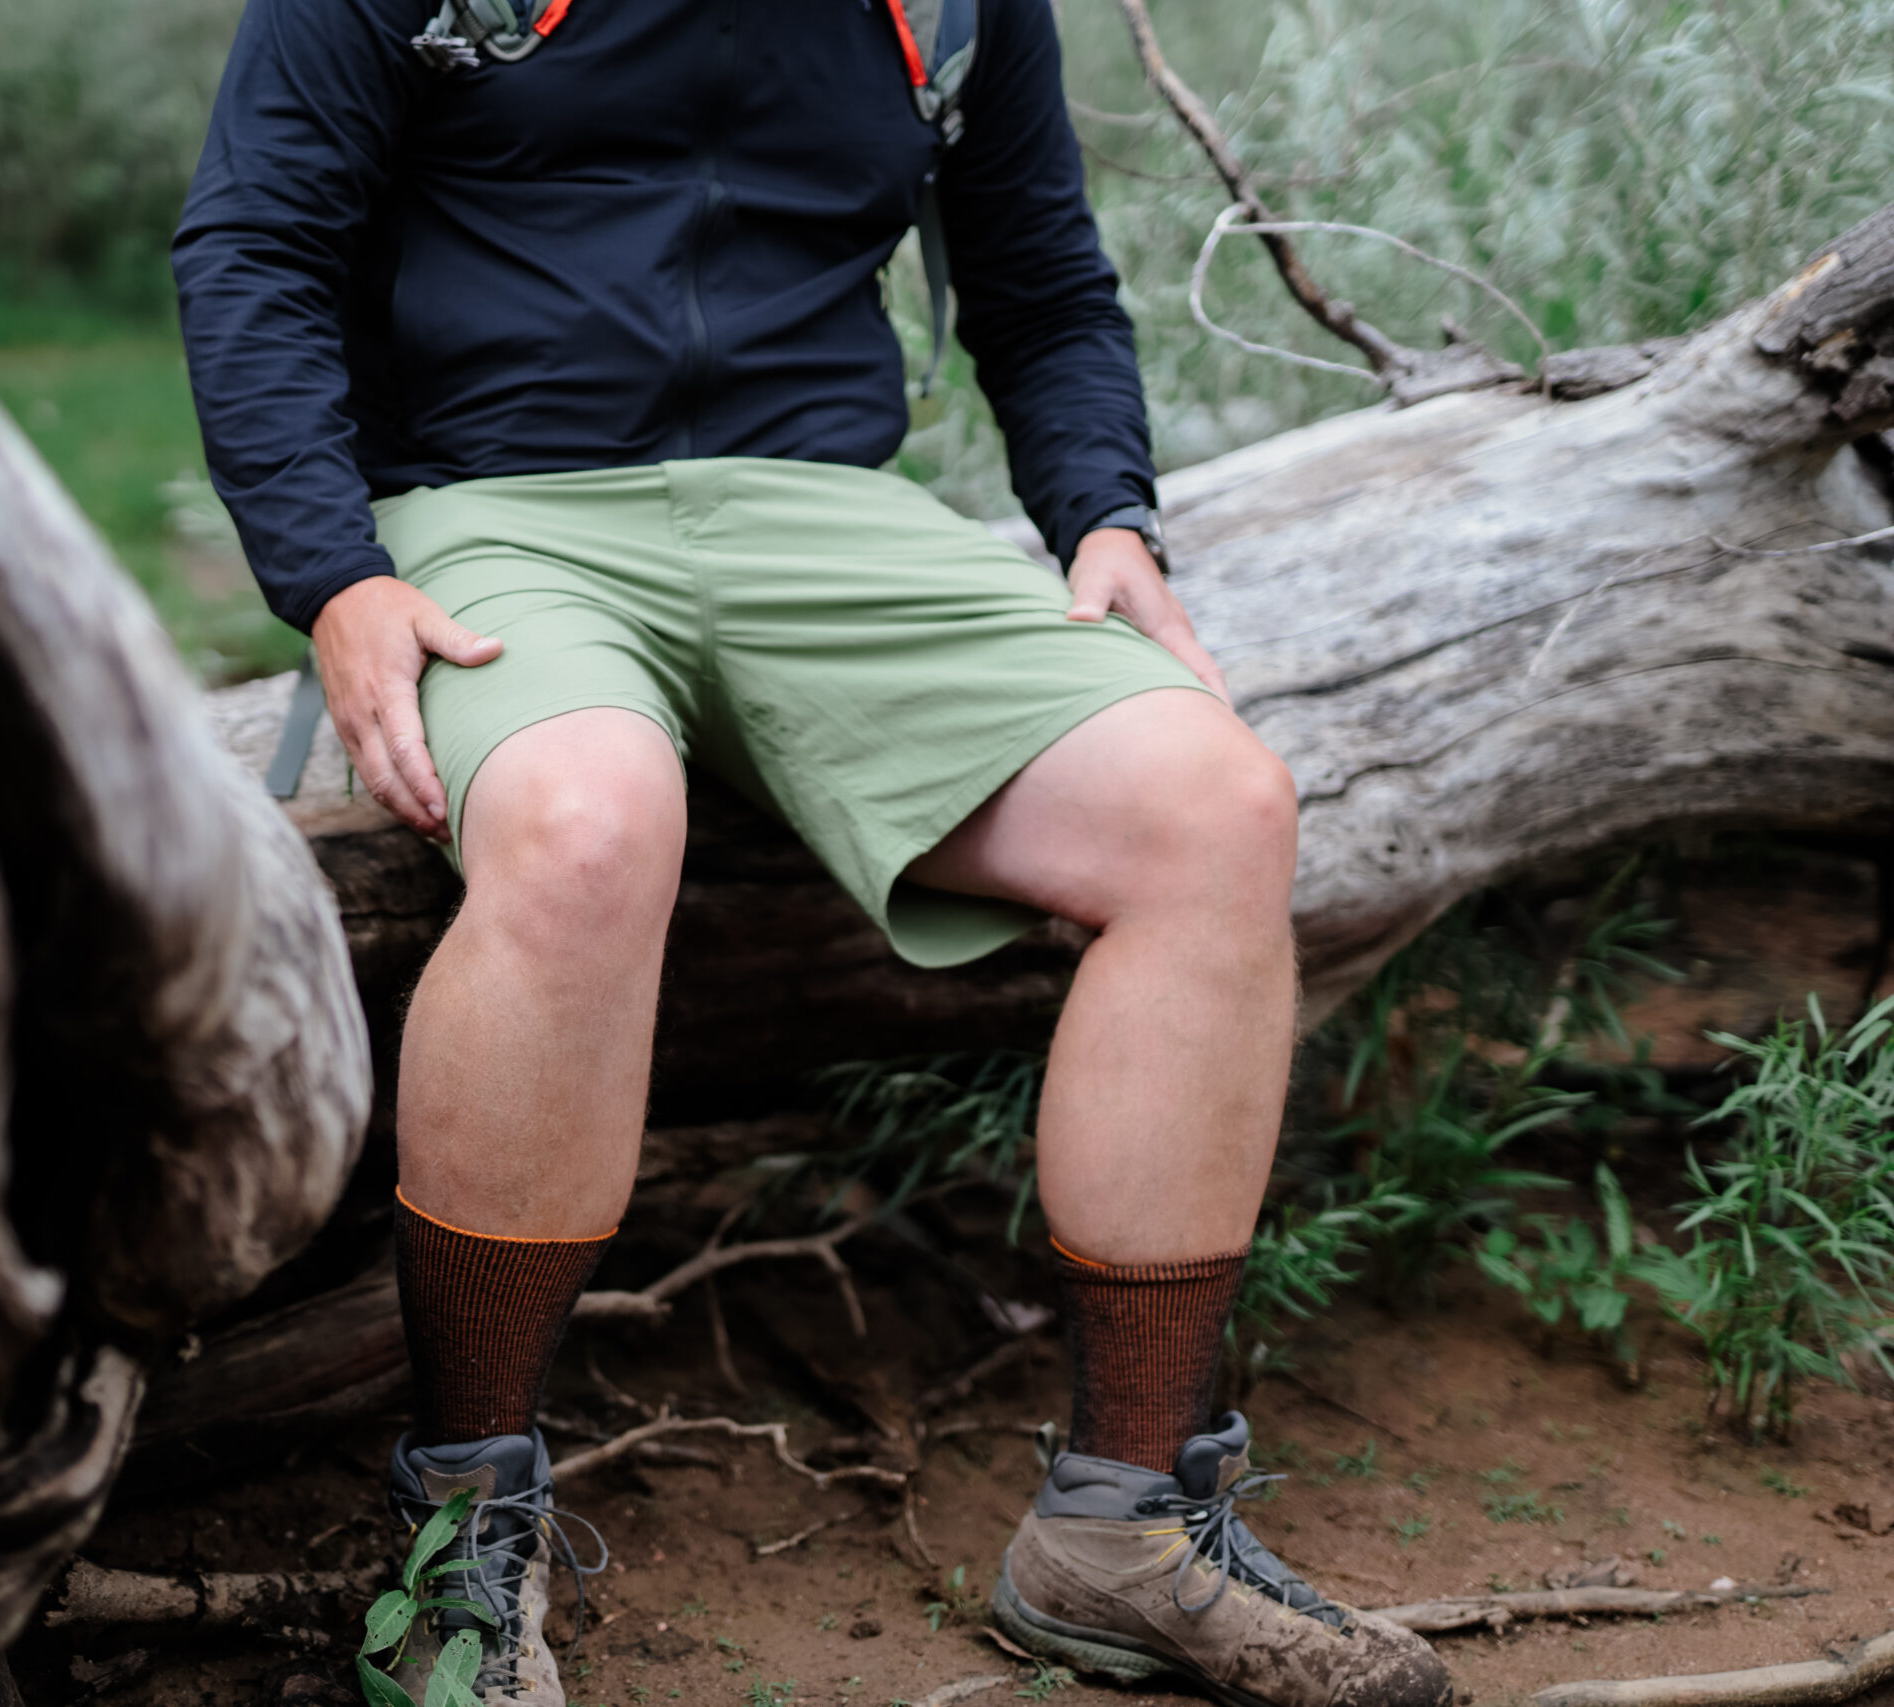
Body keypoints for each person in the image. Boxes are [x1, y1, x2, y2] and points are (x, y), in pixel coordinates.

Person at [174, 4, 1451, 1705]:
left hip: (821, 519)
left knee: (1214, 809)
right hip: (487, 506)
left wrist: (1107, 512)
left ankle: (1127, 1528)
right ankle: (460, 1545)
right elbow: (254, 241)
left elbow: (1043, 277)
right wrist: (330, 573)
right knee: (586, 825)